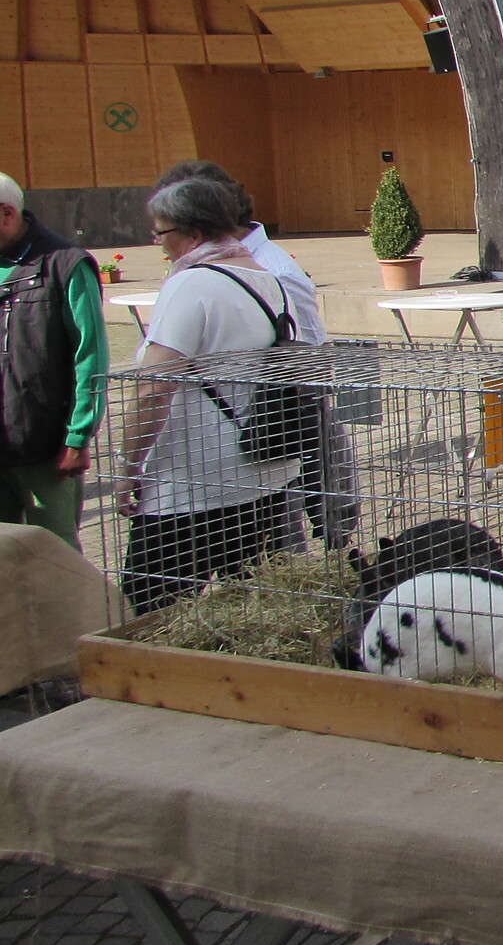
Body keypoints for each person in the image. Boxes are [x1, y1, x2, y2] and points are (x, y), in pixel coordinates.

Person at [114, 179, 305, 613]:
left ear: (193, 234)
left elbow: (152, 389)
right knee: (250, 610)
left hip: (190, 486)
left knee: (151, 613)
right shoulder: (269, 278)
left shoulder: (191, 285)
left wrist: (128, 468)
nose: (158, 244)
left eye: (162, 233)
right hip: (259, 476)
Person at [0, 174, 107, 548]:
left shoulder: (65, 265)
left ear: (6, 213)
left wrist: (78, 435)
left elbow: (91, 355)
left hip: (46, 444)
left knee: (54, 555)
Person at [152, 161, 324, 344]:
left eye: (166, 228)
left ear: (197, 225)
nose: (157, 240)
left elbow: (311, 355)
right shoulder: (202, 272)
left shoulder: (277, 272)